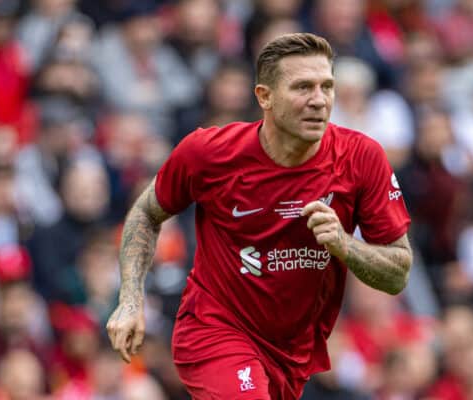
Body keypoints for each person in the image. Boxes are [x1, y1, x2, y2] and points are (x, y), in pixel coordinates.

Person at [105, 33, 412, 400]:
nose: (319, 100)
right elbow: (145, 212)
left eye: (327, 86)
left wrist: (346, 245)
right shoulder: (209, 153)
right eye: (302, 87)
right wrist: (130, 300)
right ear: (264, 96)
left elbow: (397, 273)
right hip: (216, 330)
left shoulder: (362, 158)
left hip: (291, 352)